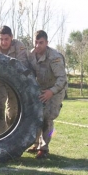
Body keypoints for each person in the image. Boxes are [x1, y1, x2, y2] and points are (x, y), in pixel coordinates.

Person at [26, 30, 67, 159]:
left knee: (48, 118)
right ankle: (36, 144)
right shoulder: (31, 55)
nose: (38, 45)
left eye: (41, 43)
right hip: (41, 88)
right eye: (36, 42)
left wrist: (51, 92)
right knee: (37, 115)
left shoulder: (54, 57)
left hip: (56, 89)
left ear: (47, 43)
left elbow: (62, 79)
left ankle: (44, 148)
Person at [0, 25, 28, 136]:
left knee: (13, 111)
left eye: (6, 39)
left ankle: (11, 135)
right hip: (0, 80)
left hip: (15, 81)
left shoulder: (19, 46)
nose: (4, 42)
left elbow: (22, 65)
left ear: (11, 37)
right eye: (1, 39)